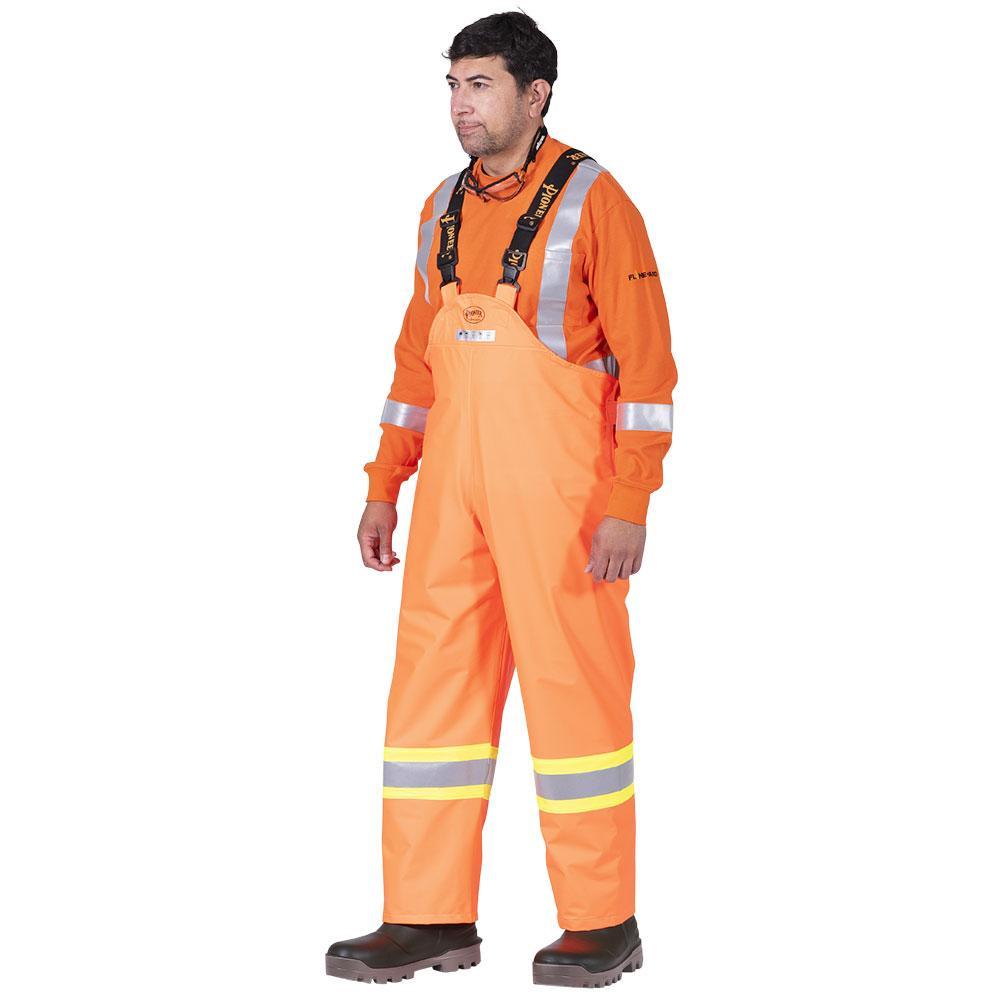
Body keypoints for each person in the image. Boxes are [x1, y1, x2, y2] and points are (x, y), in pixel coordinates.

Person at [326, 11, 677, 988]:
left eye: (479, 84)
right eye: (453, 85)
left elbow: (648, 370)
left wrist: (630, 500)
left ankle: (601, 923)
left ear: (536, 94)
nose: (460, 105)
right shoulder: (439, 206)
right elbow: (416, 365)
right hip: (451, 495)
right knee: (430, 700)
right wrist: (384, 482)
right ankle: (426, 913)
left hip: (563, 498)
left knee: (574, 698)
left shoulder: (597, 200)